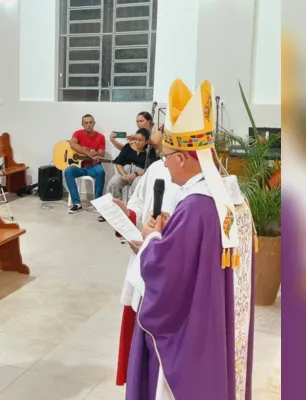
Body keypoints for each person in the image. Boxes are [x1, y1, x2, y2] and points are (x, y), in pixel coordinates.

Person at [124, 79, 254, 400]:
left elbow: (165, 276)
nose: (164, 165)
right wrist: (170, 232)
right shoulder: (232, 198)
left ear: (183, 157)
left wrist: (153, 238)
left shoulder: (195, 206)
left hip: (195, 332)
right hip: (219, 322)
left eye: (167, 156)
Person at [110, 125, 179, 386]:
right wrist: (127, 216)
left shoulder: (201, 181)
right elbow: (140, 204)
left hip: (167, 269)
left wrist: (154, 239)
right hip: (142, 260)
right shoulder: (157, 168)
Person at [65, 114, 106, 215]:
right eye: (86, 123)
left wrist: (95, 153)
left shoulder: (100, 137)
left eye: (90, 122)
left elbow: (101, 153)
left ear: (94, 123)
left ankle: (97, 203)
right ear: (82, 124)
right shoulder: (78, 134)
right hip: (79, 167)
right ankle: (77, 203)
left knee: (100, 171)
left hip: (93, 166)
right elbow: (72, 144)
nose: (88, 125)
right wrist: (87, 153)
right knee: (68, 171)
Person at [105, 128, 149, 201]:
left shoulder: (150, 151)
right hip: (125, 172)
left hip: (140, 174)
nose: (137, 142)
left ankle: (132, 208)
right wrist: (123, 174)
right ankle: (116, 205)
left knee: (137, 184)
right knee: (113, 183)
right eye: (135, 139)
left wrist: (135, 174)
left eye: (140, 140)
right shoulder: (128, 146)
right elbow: (119, 163)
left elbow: (148, 168)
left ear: (146, 141)